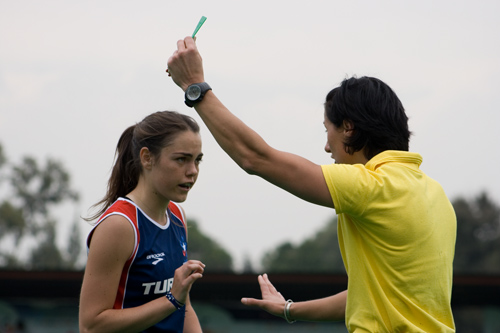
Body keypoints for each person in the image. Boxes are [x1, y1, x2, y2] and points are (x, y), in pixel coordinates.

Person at [166, 37, 456, 332]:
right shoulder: (436, 195)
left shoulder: (371, 186)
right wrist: (288, 309)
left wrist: (196, 87)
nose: (327, 148)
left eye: (327, 131)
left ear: (348, 128)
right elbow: (369, 296)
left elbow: (255, 158)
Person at [79, 111, 206, 333]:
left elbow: (183, 305)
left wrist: (176, 300)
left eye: (197, 160)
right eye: (181, 159)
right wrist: (170, 300)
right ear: (147, 158)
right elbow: (91, 326)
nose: (192, 171)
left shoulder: (177, 216)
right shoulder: (120, 225)